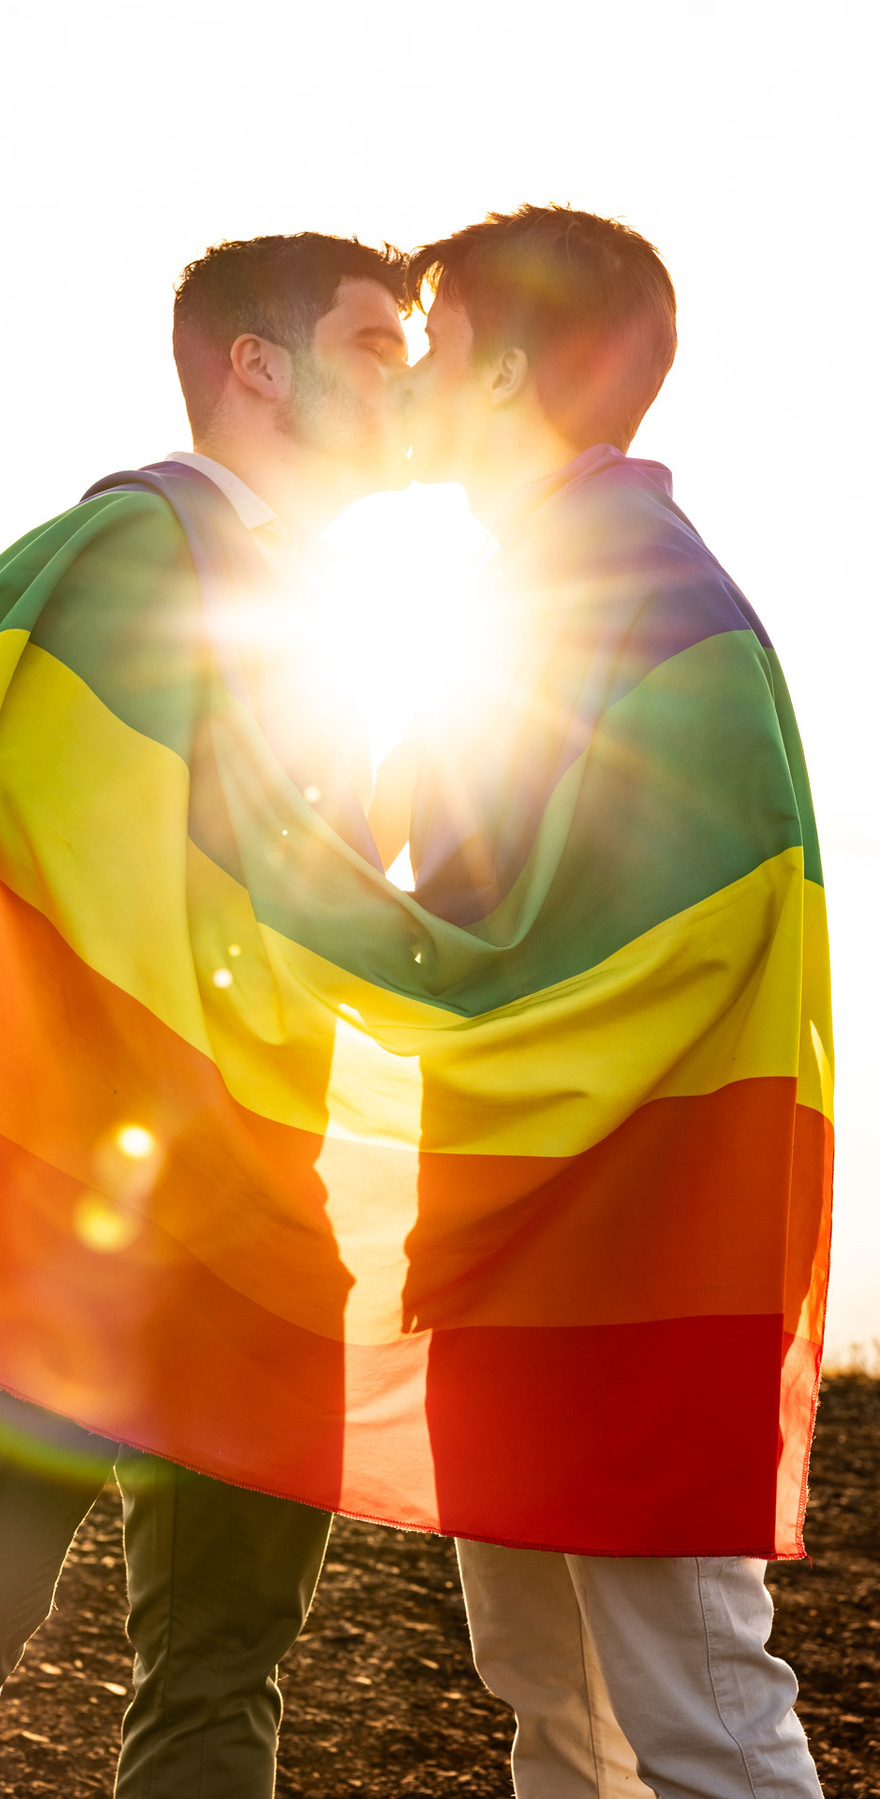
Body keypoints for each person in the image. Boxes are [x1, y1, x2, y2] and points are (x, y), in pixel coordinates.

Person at [0, 231, 409, 1799]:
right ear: (259, 368)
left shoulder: (350, 620)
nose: (407, 386)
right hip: (69, 1211)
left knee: (219, 1679)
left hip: (262, 1220)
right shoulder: (123, 554)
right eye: (376, 349)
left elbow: (329, 890)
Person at [382, 205, 826, 1799]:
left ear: (503, 368)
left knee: (697, 1704)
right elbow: (469, 907)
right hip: (518, 1233)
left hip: (632, 1243)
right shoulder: (528, 589)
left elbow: (682, 945)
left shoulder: (649, 596)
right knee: (548, 1703)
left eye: (430, 347)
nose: (412, 379)